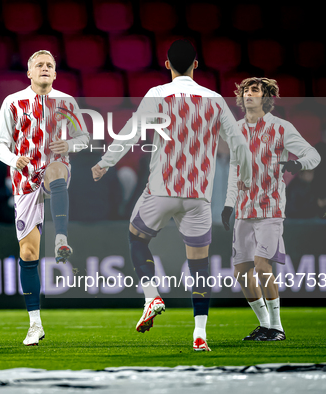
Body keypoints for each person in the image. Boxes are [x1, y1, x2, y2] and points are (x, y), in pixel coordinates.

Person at [92, 39, 252, 351]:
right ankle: (200, 334)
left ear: (167, 65)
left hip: (162, 190)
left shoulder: (157, 94)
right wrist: (244, 179)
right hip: (198, 196)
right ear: (196, 64)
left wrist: (105, 163)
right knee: (200, 267)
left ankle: (151, 296)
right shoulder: (215, 99)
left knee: (136, 237)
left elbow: (131, 131)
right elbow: (240, 147)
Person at [0, 50, 89, 346]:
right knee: (29, 254)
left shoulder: (66, 102)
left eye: (50, 65)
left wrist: (69, 144)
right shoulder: (13, 102)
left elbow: (85, 139)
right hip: (24, 179)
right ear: (29, 73)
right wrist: (13, 158)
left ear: (55, 74)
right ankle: (35, 324)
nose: (45, 69)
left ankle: (60, 238)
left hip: (55, 171)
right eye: (39, 65)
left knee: (56, 168)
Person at [222, 77, 320, 341]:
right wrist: (229, 204)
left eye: (254, 90)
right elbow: (234, 170)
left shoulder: (281, 127)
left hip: (270, 209)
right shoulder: (236, 130)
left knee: (262, 266)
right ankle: (266, 325)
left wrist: (298, 166)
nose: (248, 94)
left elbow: (313, 155)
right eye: (244, 91)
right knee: (241, 272)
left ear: (265, 97)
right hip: (243, 210)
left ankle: (277, 327)